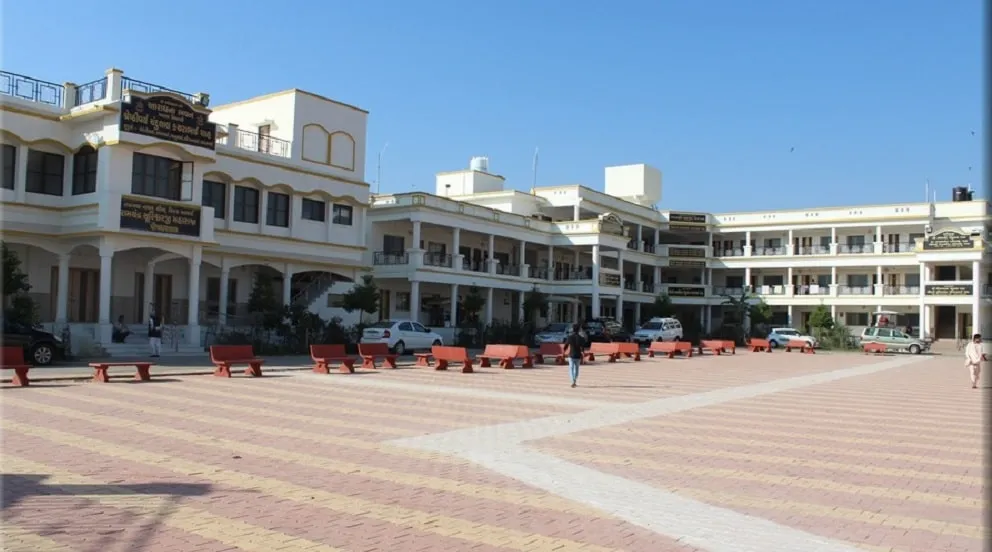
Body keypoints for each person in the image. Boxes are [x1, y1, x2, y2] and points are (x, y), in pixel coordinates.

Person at [565, 323, 586, 388]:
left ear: (573, 329)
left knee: (571, 368)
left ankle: (573, 381)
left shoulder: (570, 337)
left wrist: (564, 350)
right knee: (576, 369)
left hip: (571, 355)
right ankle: (575, 380)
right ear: (579, 330)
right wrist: (583, 352)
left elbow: (566, 345)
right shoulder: (581, 338)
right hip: (578, 355)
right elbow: (582, 347)